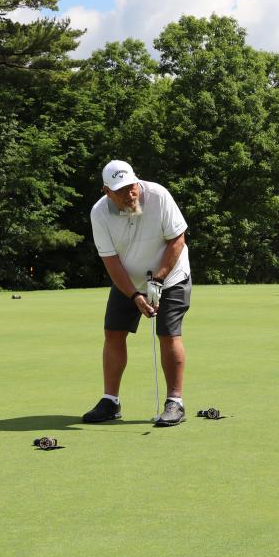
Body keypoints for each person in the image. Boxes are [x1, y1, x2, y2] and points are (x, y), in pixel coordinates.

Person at [82, 159, 192, 426]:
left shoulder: (158, 195)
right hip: (127, 281)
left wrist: (159, 279)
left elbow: (178, 239)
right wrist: (134, 295)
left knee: (168, 333)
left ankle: (175, 402)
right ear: (106, 191)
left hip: (172, 276)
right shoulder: (99, 214)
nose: (129, 194)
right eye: (120, 190)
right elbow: (111, 261)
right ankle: (110, 401)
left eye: (131, 186)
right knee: (113, 333)